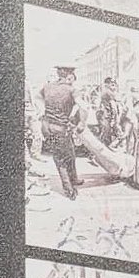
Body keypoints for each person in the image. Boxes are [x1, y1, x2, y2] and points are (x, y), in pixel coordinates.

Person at [39, 64, 81, 200]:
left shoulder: (47, 86)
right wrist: (81, 122)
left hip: (46, 126)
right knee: (61, 159)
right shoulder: (71, 90)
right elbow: (84, 108)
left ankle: (74, 179)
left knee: (70, 152)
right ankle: (69, 190)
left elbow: (37, 99)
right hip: (60, 128)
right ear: (69, 74)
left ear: (58, 73)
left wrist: (44, 112)